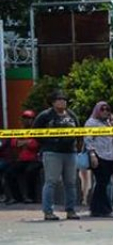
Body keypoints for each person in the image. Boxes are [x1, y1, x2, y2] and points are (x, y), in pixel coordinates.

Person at [32, 91, 81, 221]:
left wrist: (77, 146)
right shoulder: (45, 115)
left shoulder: (71, 115)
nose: (62, 102)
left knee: (71, 183)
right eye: (59, 99)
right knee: (51, 182)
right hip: (52, 153)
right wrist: (47, 142)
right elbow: (34, 132)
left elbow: (79, 131)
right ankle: (48, 211)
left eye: (64, 99)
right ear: (53, 102)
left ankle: (71, 210)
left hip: (70, 152)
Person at [84, 101, 113, 218]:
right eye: (102, 109)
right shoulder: (91, 123)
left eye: (107, 109)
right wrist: (92, 155)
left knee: (109, 183)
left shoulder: (109, 123)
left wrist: (112, 124)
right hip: (99, 156)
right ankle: (104, 209)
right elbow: (88, 140)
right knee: (102, 184)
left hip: (112, 157)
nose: (105, 112)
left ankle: (97, 208)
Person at [5, 111, 42, 204]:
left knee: (30, 171)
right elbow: (14, 143)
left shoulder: (37, 131)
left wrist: (22, 142)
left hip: (35, 159)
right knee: (9, 172)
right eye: (24, 119)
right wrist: (26, 142)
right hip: (22, 159)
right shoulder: (20, 131)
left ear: (33, 120)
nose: (26, 121)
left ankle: (31, 197)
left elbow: (34, 145)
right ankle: (17, 197)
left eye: (29, 118)